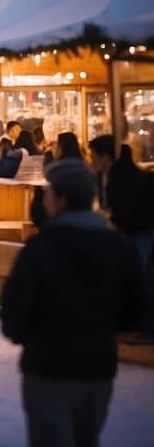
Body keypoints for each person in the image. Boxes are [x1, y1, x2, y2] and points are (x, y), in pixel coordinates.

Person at [0, 159, 146, 447]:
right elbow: (135, 308)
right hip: (98, 367)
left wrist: (28, 337)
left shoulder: (41, 248)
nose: (46, 199)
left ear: (62, 199)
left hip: (48, 366)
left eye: (49, 192)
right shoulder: (118, 246)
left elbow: (14, 312)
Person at [89, 136, 154, 345]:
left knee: (143, 279)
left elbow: (126, 210)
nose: (91, 159)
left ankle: (147, 328)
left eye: (93, 155)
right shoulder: (110, 174)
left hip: (140, 232)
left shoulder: (122, 176)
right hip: (133, 231)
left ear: (104, 156)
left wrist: (111, 219)